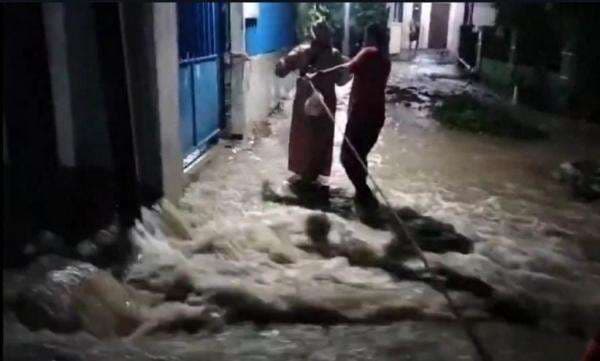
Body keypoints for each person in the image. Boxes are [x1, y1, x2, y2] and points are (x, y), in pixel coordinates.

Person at [310, 23, 391, 211]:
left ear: (371, 37)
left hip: (362, 114)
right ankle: (362, 199)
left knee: (347, 157)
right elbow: (352, 68)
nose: (363, 40)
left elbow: (346, 70)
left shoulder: (369, 52)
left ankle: (365, 195)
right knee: (359, 157)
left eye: (366, 36)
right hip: (376, 115)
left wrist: (320, 73)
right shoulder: (384, 58)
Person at [275, 21, 351, 193]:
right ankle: (317, 175)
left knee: (302, 136)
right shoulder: (335, 55)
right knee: (322, 138)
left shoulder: (301, 51)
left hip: (305, 99)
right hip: (326, 102)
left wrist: (282, 62)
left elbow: (280, 71)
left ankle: (302, 174)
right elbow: (342, 80)